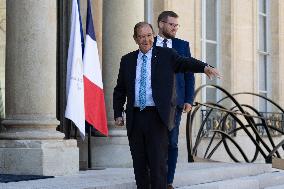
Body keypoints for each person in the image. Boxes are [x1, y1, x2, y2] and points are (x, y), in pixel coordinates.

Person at [113, 22, 220, 189]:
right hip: (135, 117)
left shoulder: (166, 55)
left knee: (157, 165)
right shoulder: (127, 60)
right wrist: (118, 113)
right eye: (141, 36)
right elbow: (120, 89)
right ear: (135, 39)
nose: (146, 40)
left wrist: (205, 67)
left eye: (149, 36)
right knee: (139, 164)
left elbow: (186, 62)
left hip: (157, 116)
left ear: (153, 36)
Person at [154, 11, 194, 189]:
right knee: (153, 141)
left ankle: (168, 181)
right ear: (161, 24)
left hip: (175, 103)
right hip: (152, 102)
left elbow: (189, 73)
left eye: (177, 25)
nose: (175, 28)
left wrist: (188, 99)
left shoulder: (183, 46)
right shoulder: (150, 43)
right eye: (172, 25)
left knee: (171, 141)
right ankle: (154, 176)